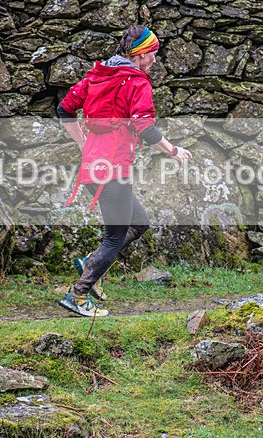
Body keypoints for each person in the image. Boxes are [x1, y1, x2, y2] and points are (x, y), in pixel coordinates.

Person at [56, 25, 192, 317]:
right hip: (113, 169)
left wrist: (84, 144)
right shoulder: (136, 82)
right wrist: (174, 151)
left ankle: (91, 262)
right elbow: (145, 126)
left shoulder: (97, 76)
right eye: (152, 54)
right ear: (140, 55)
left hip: (94, 166)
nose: (154, 61)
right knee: (115, 237)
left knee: (139, 223)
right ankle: (77, 295)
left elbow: (65, 109)